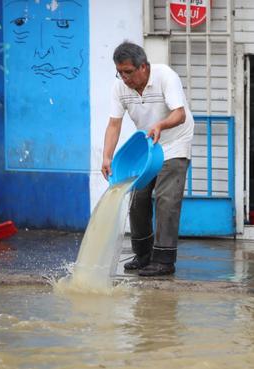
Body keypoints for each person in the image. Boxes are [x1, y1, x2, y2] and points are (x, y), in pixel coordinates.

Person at [101, 41, 194, 277]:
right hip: (149, 145)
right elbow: (114, 124)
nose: (124, 78)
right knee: (138, 198)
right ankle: (142, 255)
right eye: (119, 72)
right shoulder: (119, 88)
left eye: (128, 72)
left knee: (166, 199)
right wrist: (107, 157)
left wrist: (161, 125)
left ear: (144, 67)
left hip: (175, 142)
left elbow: (180, 114)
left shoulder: (165, 77)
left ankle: (164, 259)